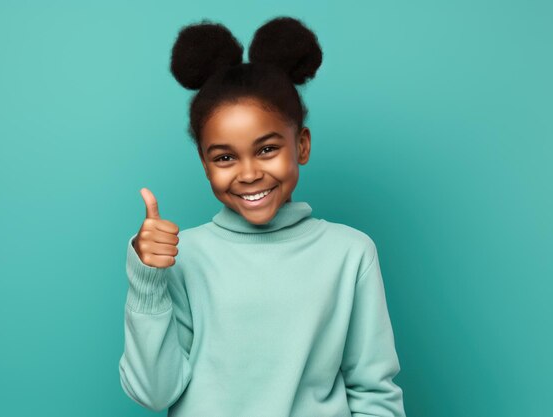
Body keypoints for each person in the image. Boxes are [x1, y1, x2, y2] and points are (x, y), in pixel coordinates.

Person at [118, 16, 407, 417]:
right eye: (224, 157)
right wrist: (147, 281)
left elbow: (374, 393)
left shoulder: (351, 253)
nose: (250, 173)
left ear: (301, 145)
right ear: (205, 164)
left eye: (267, 149)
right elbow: (154, 393)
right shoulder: (184, 256)